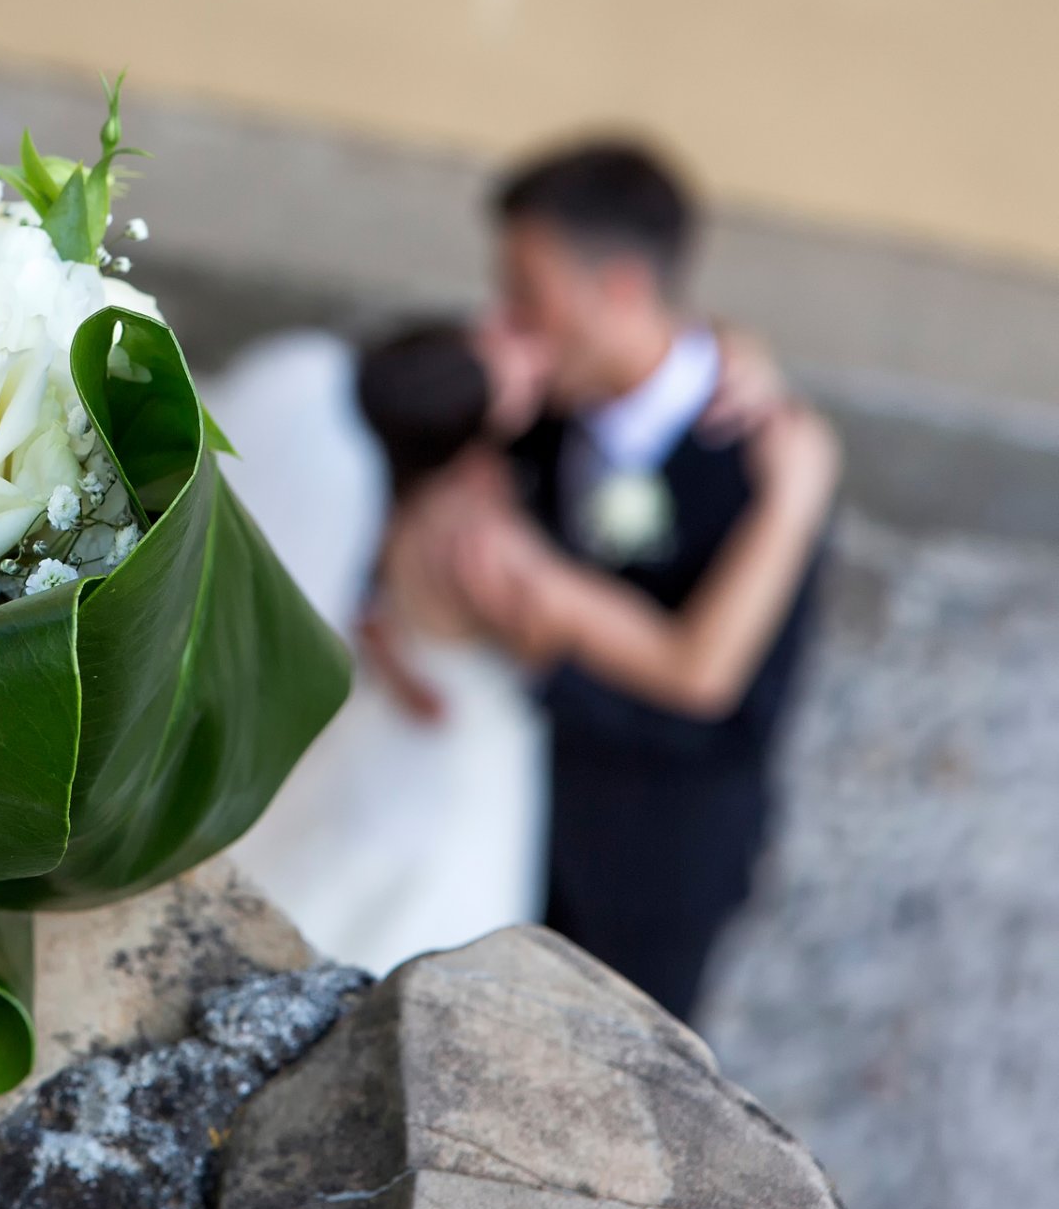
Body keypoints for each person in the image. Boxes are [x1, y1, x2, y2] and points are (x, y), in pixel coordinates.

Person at [225, 313, 836, 982]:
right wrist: (793, 501)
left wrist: (726, 349)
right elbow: (694, 669)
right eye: (510, 352)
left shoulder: (339, 399)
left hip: (419, 724)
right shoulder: (484, 542)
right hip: (460, 748)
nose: (526, 345)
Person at [486, 139, 829, 1020]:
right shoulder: (547, 408)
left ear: (624, 287)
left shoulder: (764, 468)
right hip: (518, 822)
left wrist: (548, 657)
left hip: (651, 871)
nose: (510, 321)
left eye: (530, 294)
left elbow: (729, 714)